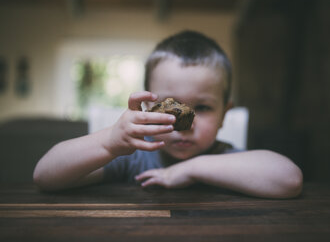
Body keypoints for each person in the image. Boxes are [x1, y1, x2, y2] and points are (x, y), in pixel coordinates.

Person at [33, 30, 303, 198]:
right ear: (148, 109)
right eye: (168, 105)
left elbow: (289, 179)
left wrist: (193, 169)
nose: (183, 123)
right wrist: (109, 141)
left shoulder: (224, 158)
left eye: (204, 108)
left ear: (224, 115)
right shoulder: (134, 158)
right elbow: (45, 176)